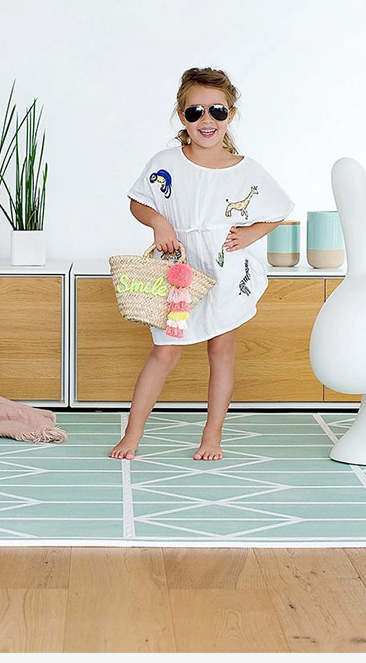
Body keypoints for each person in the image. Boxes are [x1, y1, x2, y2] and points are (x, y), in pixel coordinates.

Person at [109, 67, 294, 461]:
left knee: (221, 348)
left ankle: (212, 436)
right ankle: (133, 434)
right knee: (165, 351)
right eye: (195, 112)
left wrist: (250, 234)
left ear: (231, 115)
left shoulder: (246, 169)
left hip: (225, 270)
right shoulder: (166, 162)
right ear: (182, 116)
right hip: (178, 272)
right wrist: (159, 222)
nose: (206, 120)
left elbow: (278, 209)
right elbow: (138, 201)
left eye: (217, 111)